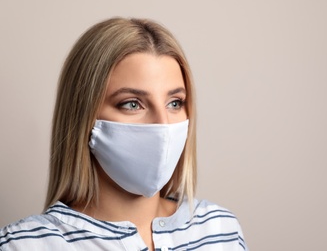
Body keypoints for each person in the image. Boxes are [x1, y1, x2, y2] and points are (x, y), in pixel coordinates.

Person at [0, 17, 248, 251]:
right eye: (132, 103)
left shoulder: (220, 230)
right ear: (84, 117)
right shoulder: (24, 244)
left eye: (174, 103)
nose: (162, 125)